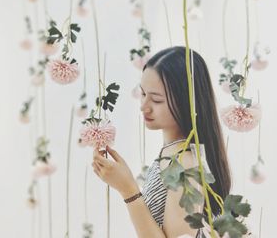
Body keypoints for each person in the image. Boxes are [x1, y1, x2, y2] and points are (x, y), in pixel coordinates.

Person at [92, 46, 231, 237]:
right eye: (143, 94)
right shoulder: (173, 154)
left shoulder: (186, 165)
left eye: (156, 100)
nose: (144, 107)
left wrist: (128, 189)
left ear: (186, 102)